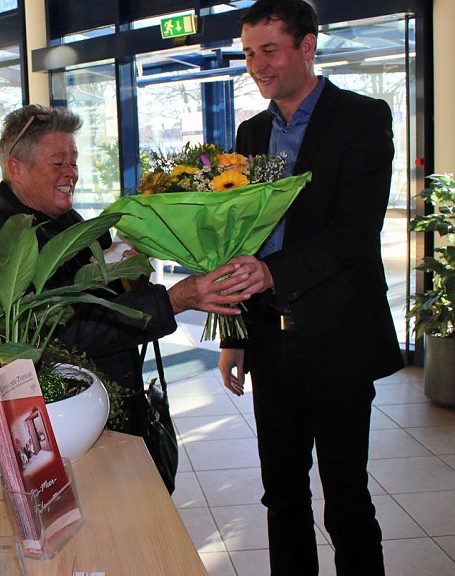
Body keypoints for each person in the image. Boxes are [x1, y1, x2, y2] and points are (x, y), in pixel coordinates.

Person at [218, 1, 404, 574]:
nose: (257, 66)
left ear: (307, 46)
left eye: (269, 50)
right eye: (249, 53)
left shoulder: (363, 119)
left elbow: (354, 233)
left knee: (346, 500)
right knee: (282, 497)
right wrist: (236, 335)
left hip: (339, 341)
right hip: (272, 343)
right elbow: (238, 240)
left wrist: (276, 270)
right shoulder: (252, 132)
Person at [0, 104, 252, 443]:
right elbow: (58, 342)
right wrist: (173, 300)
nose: (71, 172)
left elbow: (103, 301)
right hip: (59, 426)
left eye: (73, 161)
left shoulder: (70, 224)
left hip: (107, 411)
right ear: (17, 169)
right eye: (58, 162)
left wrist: (130, 268)